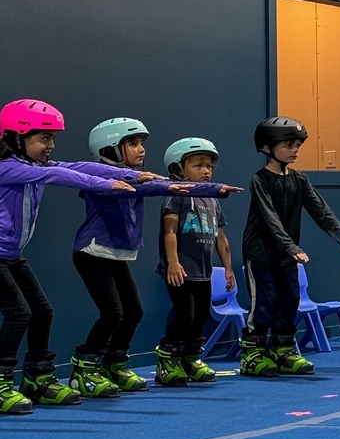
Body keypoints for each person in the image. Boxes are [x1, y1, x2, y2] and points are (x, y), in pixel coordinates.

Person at [0, 99, 143, 415]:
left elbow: (78, 167)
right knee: (18, 313)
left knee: (42, 312)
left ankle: (37, 379)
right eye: (45, 138)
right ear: (18, 137)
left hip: (11, 256)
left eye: (53, 138)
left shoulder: (33, 165)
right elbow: (64, 178)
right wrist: (107, 183)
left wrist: (133, 175)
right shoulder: (8, 168)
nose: (51, 146)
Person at [71, 120, 239, 397]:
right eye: (133, 144)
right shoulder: (103, 179)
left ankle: (114, 363)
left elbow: (156, 185)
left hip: (115, 254)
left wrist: (212, 189)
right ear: (110, 147)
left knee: (133, 311)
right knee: (113, 313)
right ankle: (85, 367)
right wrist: (171, 186)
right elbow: (144, 188)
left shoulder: (137, 176)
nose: (141, 150)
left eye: (142, 144)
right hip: (93, 251)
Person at [239, 117, 340, 378]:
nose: (295, 149)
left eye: (298, 144)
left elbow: (322, 211)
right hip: (261, 252)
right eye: (288, 144)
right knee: (264, 302)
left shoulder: (299, 180)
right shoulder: (260, 180)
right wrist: (289, 245)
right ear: (266, 147)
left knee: (290, 300)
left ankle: (282, 349)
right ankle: (252, 353)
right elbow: (269, 217)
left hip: (287, 254)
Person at [154, 138, 240, 386]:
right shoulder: (177, 196)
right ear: (178, 169)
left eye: (209, 166)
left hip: (202, 271)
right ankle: (168, 358)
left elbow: (220, 236)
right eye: (198, 165)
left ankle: (191, 357)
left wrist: (227, 268)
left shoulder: (212, 199)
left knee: (201, 316)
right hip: (180, 270)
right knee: (184, 314)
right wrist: (172, 262)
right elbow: (169, 231)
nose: (206, 171)